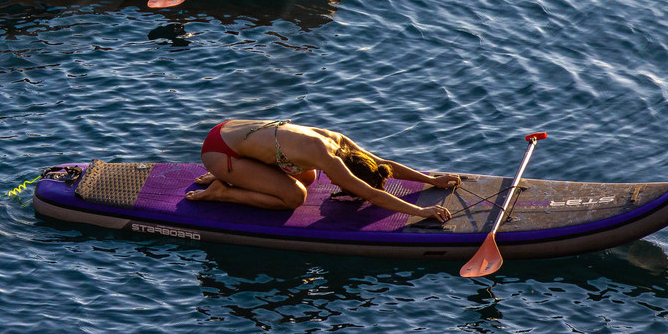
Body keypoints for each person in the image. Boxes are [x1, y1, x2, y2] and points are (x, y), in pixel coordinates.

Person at [185, 119, 461, 222]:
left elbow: (382, 163)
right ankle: (221, 188)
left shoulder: (338, 141)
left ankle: (234, 172)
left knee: (307, 176)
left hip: (229, 129)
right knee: (294, 197)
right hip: (219, 151)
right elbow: (372, 194)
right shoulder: (332, 162)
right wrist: (420, 211)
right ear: (346, 174)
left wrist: (431, 180)